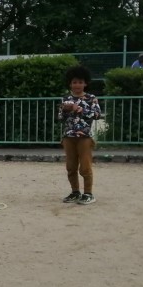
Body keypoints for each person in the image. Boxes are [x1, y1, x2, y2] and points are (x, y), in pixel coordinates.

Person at [59, 65, 102, 205]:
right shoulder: (66, 98)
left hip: (84, 137)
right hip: (68, 136)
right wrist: (65, 110)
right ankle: (75, 192)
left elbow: (96, 115)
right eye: (74, 82)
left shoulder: (91, 98)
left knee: (85, 166)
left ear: (85, 83)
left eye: (80, 82)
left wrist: (80, 110)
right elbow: (60, 118)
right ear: (70, 84)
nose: (77, 85)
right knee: (70, 166)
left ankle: (88, 193)